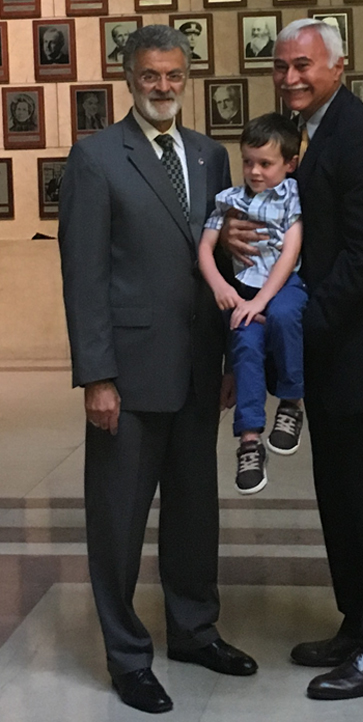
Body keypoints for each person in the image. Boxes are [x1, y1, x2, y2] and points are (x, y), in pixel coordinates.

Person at [223, 17, 363, 701]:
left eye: (303, 66)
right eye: (281, 66)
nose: (289, 78)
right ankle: (358, 624)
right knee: (342, 505)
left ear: (338, 68)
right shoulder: (300, 142)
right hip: (334, 361)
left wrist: (294, 333)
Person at [58, 24, 257, 716]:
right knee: (117, 520)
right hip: (130, 378)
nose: (164, 87)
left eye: (175, 75)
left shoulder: (210, 157)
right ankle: (127, 657)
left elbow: (228, 265)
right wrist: (97, 377)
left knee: (195, 515)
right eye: (151, 76)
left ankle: (195, 630)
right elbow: (83, 278)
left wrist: (236, 359)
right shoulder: (95, 159)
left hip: (201, 368)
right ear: (129, 78)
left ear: (187, 77)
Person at [199, 113, 307, 494]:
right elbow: (206, 249)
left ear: (289, 164)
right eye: (248, 162)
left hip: (282, 284)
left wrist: (260, 300)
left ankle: (291, 401)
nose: (255, 171)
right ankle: (248, 440)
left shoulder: (293, 195)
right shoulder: (230, 200)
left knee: (284, 315)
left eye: (265, 163)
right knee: (243, 344)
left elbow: (290, 253)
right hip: (244, 288)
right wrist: (219, 287)